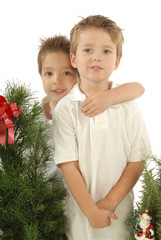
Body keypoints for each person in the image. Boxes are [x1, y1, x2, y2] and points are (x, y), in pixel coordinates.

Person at [52, 15, 151, 240]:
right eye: (88, 50)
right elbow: (68, 166)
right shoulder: (66, 109)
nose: (97, 56)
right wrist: (91, 211)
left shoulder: (128, 106)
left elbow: (137, 161)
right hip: (79, 218)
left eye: (106, 51)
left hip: (119, 215)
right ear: (74, 58)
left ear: (116, 62)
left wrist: (109, 203)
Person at [37, 35, 144, 121]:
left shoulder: (90, 100)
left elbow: (138, 88)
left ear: (79, 73)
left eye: (66, 73)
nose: (56, 81)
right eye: (49, 74)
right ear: (40, 74)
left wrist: (108, 97)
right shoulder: (39, 111)